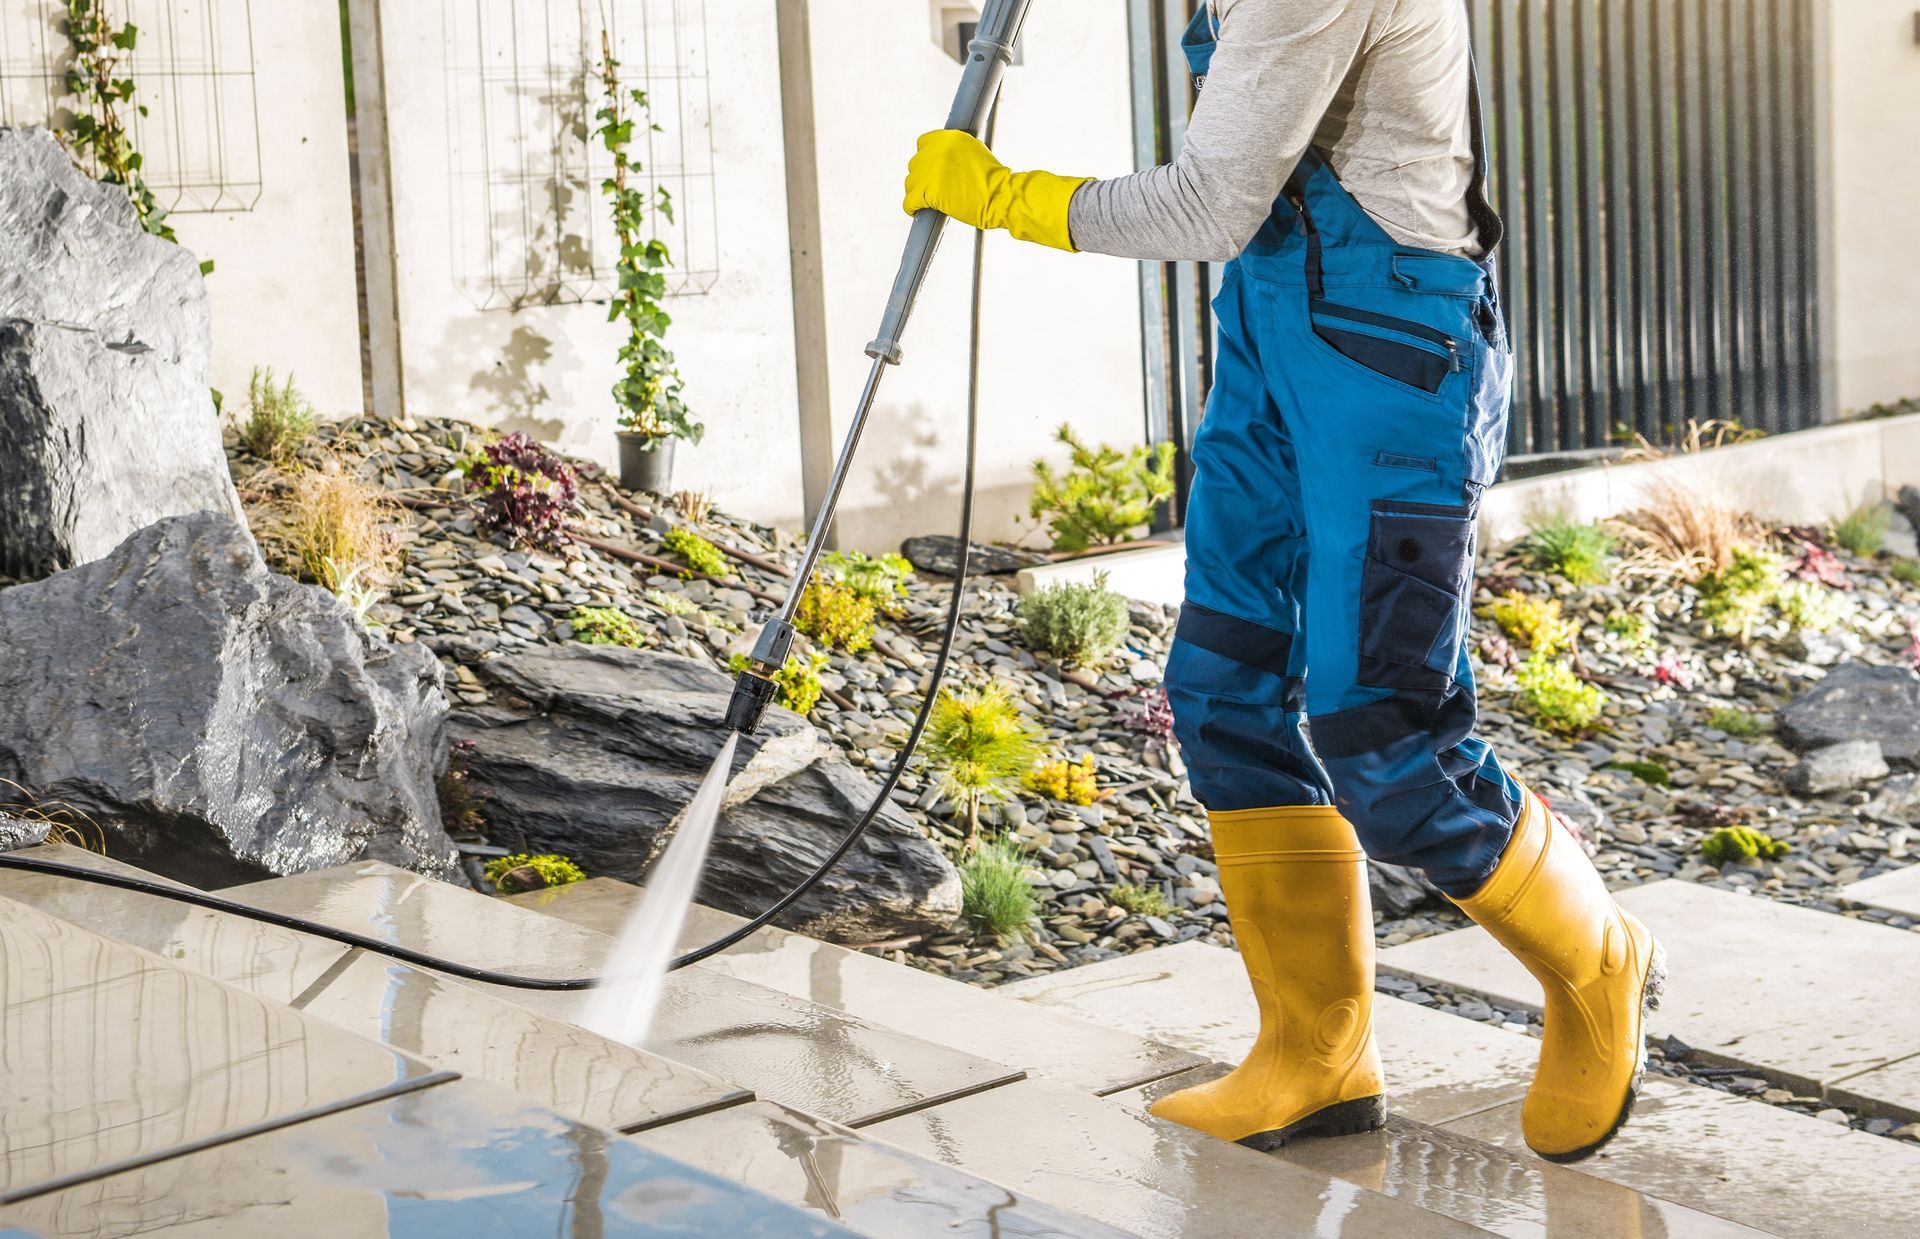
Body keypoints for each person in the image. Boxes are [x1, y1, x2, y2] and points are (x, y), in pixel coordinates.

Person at [902, 0, 1664, 1164]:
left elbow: (1212, 200)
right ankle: (1316, 1052)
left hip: (1392, 356)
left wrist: (1005, 196)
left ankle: (1600, 961)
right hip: (1269, 344)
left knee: (1384, 735)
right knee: (1223, 687)